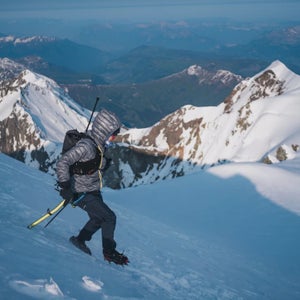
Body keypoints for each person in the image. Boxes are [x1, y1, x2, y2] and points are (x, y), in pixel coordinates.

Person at [56, 109, 128, 265]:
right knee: (109, 217)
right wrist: (65, 187)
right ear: (104, 130)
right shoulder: (87, 146)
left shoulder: (99, 146)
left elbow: (92, 166)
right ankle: (109, 252)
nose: (114, 137)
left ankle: (79, 240)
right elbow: (63, 162)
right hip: (80, 192)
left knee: (98, 218)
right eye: (113, 134)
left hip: (92, 190)